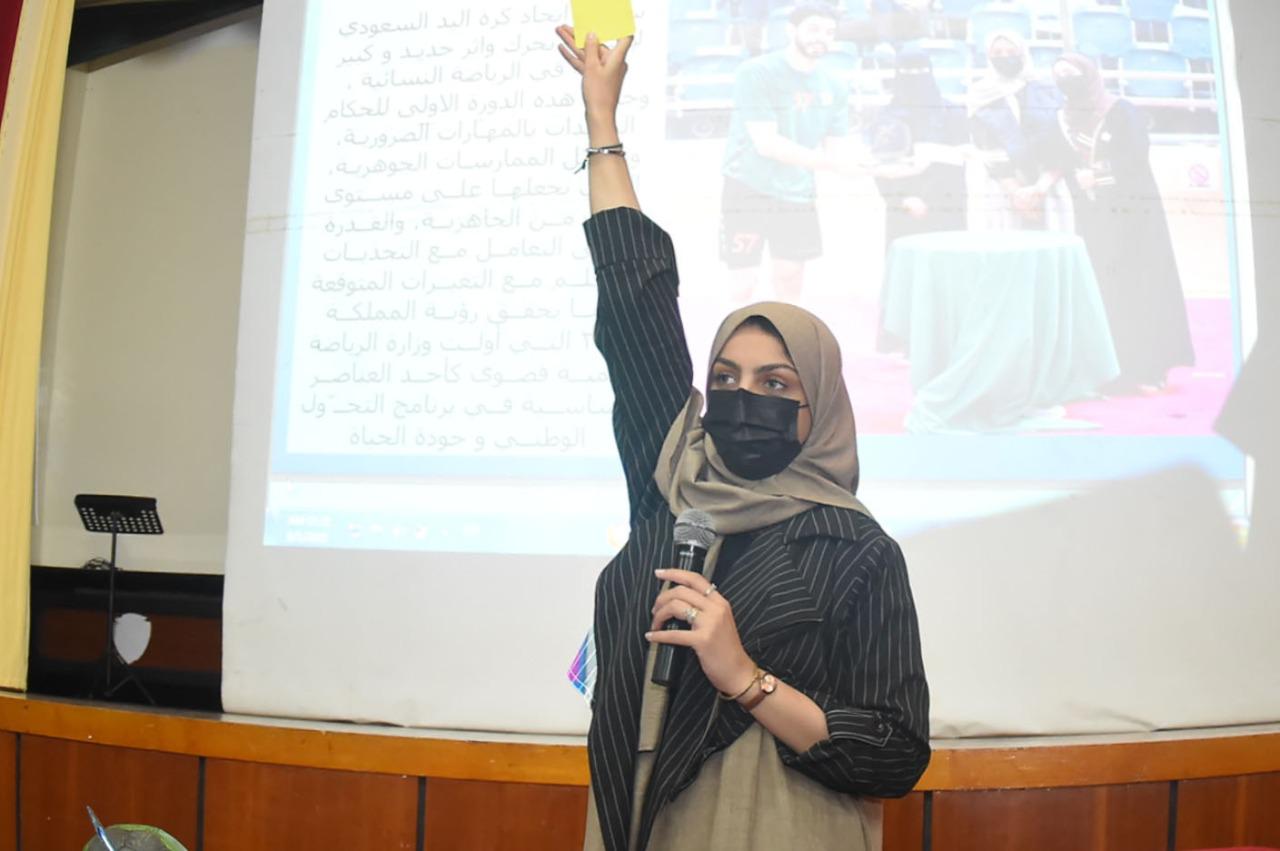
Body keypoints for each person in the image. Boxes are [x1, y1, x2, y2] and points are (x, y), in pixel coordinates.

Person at [555, 24, 931, 851]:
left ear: (819, 406)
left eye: (776, 384)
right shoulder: (672, 480)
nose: (742, 398)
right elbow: (635, 299)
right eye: (724, 378)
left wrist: (744, 676)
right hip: (636, 810)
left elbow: (895, 754)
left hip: (778, 820)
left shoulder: (856, 549)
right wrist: (601, 121)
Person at [1046, 53, 1194, 392]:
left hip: (1134, 218)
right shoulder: (1064, 118)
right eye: (1060, 76)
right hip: (1093, 220)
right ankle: (1111, 370)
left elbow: (1135, 157)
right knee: (1104, 290)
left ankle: (1149, 369)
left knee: (1140, 286)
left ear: (1089, 74)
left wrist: (1100, 176)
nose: (1067, 81)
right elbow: (1057, 158)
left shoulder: (1121, 111)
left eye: (1072, 73)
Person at [719, 2, 859, 301]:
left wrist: (862, 163)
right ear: (790, 29)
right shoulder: (756, 72)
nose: (821, 37)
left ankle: (785, 332)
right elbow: (766, 143)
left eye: (829, 32)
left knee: (790, 276)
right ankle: (736, 332)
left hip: (797, 192)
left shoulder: (835, 85)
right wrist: (832, 164)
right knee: (744, 280)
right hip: (747, 188)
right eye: (814, 29)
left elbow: (837, 146)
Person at [966, 31, 1071, 232]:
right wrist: (1018, 196)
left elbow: (1060, 141)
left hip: (1047, 183)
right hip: (1000, 185)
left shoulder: (1046, 90)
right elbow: (985, 145)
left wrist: (1039, 189)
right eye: (997, 52)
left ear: (1023, 54)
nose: (1005, 56)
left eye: (1011, 51)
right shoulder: (980, 93)